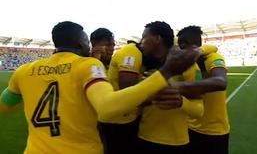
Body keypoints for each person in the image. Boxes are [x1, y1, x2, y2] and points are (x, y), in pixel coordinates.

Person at [0, 21, 200, 154]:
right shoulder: (88, 65)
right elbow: (107, 108)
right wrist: (165, 72)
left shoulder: (24, 71)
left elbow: (4, 107)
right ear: (82, 43)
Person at [136, 21, 203, 154]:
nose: (141, 42)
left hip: (175, 142)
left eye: (144, 37)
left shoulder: (188, 66)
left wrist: (180, 102)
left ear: (157, 39)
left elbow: (199, 111)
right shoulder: (142, 63)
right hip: (144, 138)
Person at [176, 26, 230, 154]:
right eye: (179, 44)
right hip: (190, 128)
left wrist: (178, 87)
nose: (181, 48)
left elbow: (221, 82)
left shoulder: (213, 58)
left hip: (214, 131)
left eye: (184, 44)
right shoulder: (185, 64)